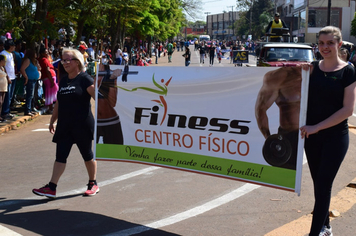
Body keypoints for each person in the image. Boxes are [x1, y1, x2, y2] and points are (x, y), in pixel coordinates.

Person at [300, 26, 356, 236]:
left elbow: (348, 110)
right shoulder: (311, 69)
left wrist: (317, 127)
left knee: (323, 185)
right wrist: (302, 72)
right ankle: (326, 228)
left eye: (330, 43)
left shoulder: (348, 71)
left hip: (335, 138)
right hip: (312, 138)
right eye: (321, 43)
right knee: (319, 185)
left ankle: (315, 233)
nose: (325, 47)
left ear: (339, 44)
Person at [32, 48, 99, 198]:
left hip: (82, 124)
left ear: (77, 62)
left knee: (87, 155)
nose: (65, 63)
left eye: (68, 60)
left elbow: (98, 98)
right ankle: (51, 187)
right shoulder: (63, 80)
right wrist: (52, 120)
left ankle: (92, 183)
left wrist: (100, 86)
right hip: (65, 125)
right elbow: (59, 103)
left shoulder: (85, 79)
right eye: (63, 60)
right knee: (60, 156)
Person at [255, 66, 302, 170]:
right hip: (289, 137)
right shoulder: (279, 76)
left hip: (316, 134)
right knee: (287, 179)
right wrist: (269, 139)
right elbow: (261, 108)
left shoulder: (319, 73)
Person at [97, 63, 123, 144]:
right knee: (91, 155)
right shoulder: (87, 75)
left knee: (114, 154)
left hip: (111, 122)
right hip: (96, 123)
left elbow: (112, 103)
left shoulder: (111, 74)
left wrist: (111, 80)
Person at [20, 49, 41, 116]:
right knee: (29, 95)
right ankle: (27, 110)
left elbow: (39, 68)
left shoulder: (34, 61)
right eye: (35, 53)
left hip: (34, 80)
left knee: (32, 95)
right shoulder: (28, 60)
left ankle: (31, 108)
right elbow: (22, 69)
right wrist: (26, 77)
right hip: (30, 80)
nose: (36, 55)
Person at [39, 47, 58, 114]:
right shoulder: (44, 60)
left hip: (49, 77)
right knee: (50, 93)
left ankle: (51, 108)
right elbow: (47, 71)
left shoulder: (43, 59)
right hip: (49, 78)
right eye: (45, 52)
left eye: (47, 52)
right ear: (42, 53)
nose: (47, 53)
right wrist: (52, 81)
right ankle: (51, 108)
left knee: (50, 93)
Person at [0, 40, 16, 120]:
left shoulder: (11, 54)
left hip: (13, 76)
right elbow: (3, 67)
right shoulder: (3, 54)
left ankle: (8, 111)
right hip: (7, 77)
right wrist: (7, 77)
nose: (14, 47)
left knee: (10, 96)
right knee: (7, 96)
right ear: (10, 46)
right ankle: (5, 112)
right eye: (13, 46)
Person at [0, 55, 8, 122]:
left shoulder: (2, 68)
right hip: (0, 87)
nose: (5, 62)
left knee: (1, 102)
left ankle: (0, 116)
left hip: (3, 87)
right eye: (4, 61)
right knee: (0, 102)